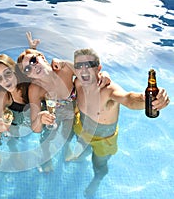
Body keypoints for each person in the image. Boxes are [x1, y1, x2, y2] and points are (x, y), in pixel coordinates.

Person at [70, 48, 170, 197]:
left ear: (99, 68)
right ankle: (82, 156)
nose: (83, 69)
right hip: (82, 127)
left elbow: (128, 99)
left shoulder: (108, 90)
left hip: (103, 140)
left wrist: (146, 99)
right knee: (82, 149)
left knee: (99, 165)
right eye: (79, 65)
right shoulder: (77, 82)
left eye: (89, 64)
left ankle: (97, 179)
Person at [16, 47, 111, 172]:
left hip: (72, 113)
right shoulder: (35, 89)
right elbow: (36, 129)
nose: (33, 67)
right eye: (27, 69)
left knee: (68, 135)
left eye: (33, 60)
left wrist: (104, 74)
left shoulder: (66, 68)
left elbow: (91, 77)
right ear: (28, 76)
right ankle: (46, 159)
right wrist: (40, 118)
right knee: (47, 138)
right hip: (54, 116)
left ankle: (66, 149)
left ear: (42, 57)